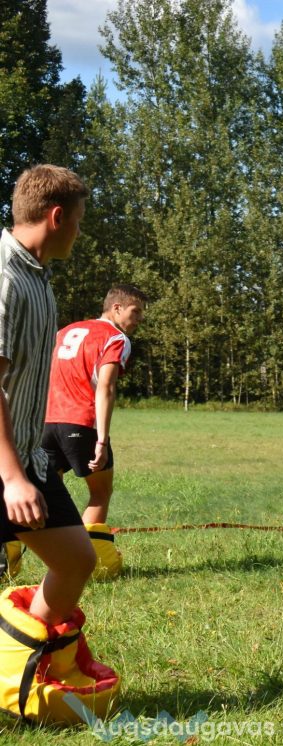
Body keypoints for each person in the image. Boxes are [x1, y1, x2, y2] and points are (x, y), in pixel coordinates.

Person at [0, 165, 118, 723]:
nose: (80, 231)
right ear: (56, 216)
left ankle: (17, 667)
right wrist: (11, 478)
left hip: (28, 456)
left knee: (76, 560)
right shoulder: (5, 276)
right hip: (7, 466)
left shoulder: (38, 276)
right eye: (79, 220)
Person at [42, 284, 148, 580]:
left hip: (45, 423)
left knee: (45, 496)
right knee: (100, 492)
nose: (139, 319)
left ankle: (11, 555)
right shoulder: (116, 337)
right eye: (135, 311)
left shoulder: (65, 331)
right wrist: (101, 440)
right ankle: (93, 567)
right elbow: (106, 387)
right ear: (116, 308)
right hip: (81, 422)